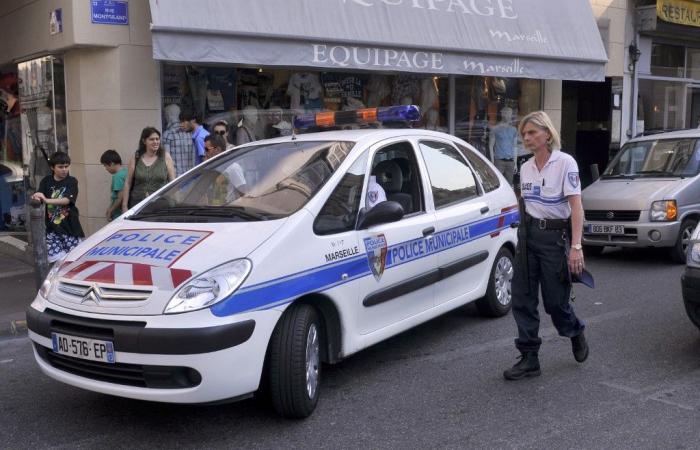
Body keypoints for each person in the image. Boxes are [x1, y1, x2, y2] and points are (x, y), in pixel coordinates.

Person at [503, 111, 588, 381]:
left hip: (554, 240)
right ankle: (529, 358)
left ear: (547, 134)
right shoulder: (525, 167)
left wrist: (576, 246)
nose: (526, 138)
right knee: (522, 298)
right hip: (528, 239)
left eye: (532, 133)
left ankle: (574, 331)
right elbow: (524, 204)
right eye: (524, 134)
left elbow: (576, 207)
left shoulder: (565, 163)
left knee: (555, 303)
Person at [30, 152, 85, 263]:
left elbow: (67, 200)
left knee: (73, 261)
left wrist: (46, 200)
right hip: (52, 229)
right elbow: (40, 195)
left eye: (66, 166)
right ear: (52, 167)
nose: (64, 169)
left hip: (70, 229)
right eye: (60, 167)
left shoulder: (72, 181)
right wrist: (37, 197)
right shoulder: (46, 181)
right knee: (56, 262)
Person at [121, 127, 176, 213]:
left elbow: (173, 183)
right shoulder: (136, 157)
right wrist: (124, 206)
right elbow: (127, 183)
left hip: (161, 205)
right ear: (144, 141)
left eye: (157, 139)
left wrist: (174, 204)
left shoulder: (165, 157)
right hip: (137, 205)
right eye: (151, 139)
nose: (155, 142)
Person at [203, 133, 246, 205]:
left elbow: (243, 194)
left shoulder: (233, 167)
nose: (205, 153)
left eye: (207, 149)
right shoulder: (211, 168)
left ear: (218, 149)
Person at [162, 103, 195, 176]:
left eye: (166, 115)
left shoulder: (168, 134)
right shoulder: (189, 132)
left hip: (175, 179)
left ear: (169, 116)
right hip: (190, 175)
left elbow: (166, 160)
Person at [489, 106, 518, 186]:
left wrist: (515, 163)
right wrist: (492, 162)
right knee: (498, 185)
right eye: (507, 113)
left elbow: (515, 147)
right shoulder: (495, 129)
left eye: (510, 114)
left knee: (509, 185)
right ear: (502, 114)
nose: (509, 116)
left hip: (510, 162)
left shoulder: (514, 129)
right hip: (499, 161)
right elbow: (491, 146)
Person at [99, 149, 127, 221]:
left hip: (119, 213)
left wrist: (110, 210)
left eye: (105, 166)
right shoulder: (126, 171)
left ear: (111, 164)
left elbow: (119, 197)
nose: (106, 169)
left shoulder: (118, 176)